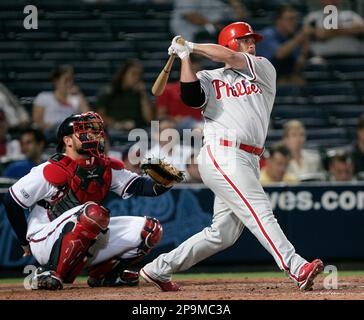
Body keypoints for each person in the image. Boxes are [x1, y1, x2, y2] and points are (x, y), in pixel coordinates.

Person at [140, 22, 324, 292]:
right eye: (245, 39)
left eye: (253, 40)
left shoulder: (262, 67)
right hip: (222, 151)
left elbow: (229, 58)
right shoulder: (210, 76)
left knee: (222, 234)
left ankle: (158, 268)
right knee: (259, 208)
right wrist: (185, 58)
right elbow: (190, 97)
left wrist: (191, 45)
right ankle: (295, 266)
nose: (252, 44)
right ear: (230, 42)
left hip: (248, 158)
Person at [2, 111, 175, 290]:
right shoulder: (50, 170)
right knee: (93, 213)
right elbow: (11, 201)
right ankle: (49, 271)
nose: (93, 135)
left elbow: (141, 187)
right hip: (45, 240)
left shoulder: (104, 166)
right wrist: (24, 241)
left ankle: (105, 274)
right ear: (67, 140)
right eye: (84, 132)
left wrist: (164, 182)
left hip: (88, 236)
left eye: (94, 131)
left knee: (150, 230)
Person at [258, 5, 312, 85]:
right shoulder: (268, 34)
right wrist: (300, 37)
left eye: (296, 19)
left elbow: (297, 67)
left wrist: (304, 49)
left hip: (287, 76)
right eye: (290, 19)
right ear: (278, 21)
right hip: (264, 79)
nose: (294, 22)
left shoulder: (293, 37)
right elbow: (279, 54)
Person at [96, 59, 153, 132]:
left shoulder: (140, 93)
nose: (137, 78)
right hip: (113, 130)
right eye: (133, 74)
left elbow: (149, 119)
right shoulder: (109, 91)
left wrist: (143, 94)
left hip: (137, 130)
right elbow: (99, 117)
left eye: (139, 75)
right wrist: (118, 124)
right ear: (123, 74)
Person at [32, 65, 90, 134]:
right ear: (56, 81)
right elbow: (37, 122)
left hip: (70, 134)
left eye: (72, 80)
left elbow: (88, 118)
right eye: (66, 80)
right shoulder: (44, 97)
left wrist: (79, 95)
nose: (70, 83)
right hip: (49, 133)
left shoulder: (76, 99)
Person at [156, 55, 203, 131]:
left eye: (198, 71)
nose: (196, 74)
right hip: (175, 125)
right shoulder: (168, 89)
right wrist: (173, 119)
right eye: (193, 70)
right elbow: (160, 115)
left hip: (198, 125)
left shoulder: (204, 90)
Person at [170, 0, 248, 42]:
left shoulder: (218, 2)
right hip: (188, 33)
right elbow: (189, 15)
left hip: (212, 34)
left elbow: (241, 16)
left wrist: (235, 3)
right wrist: (212, 25)